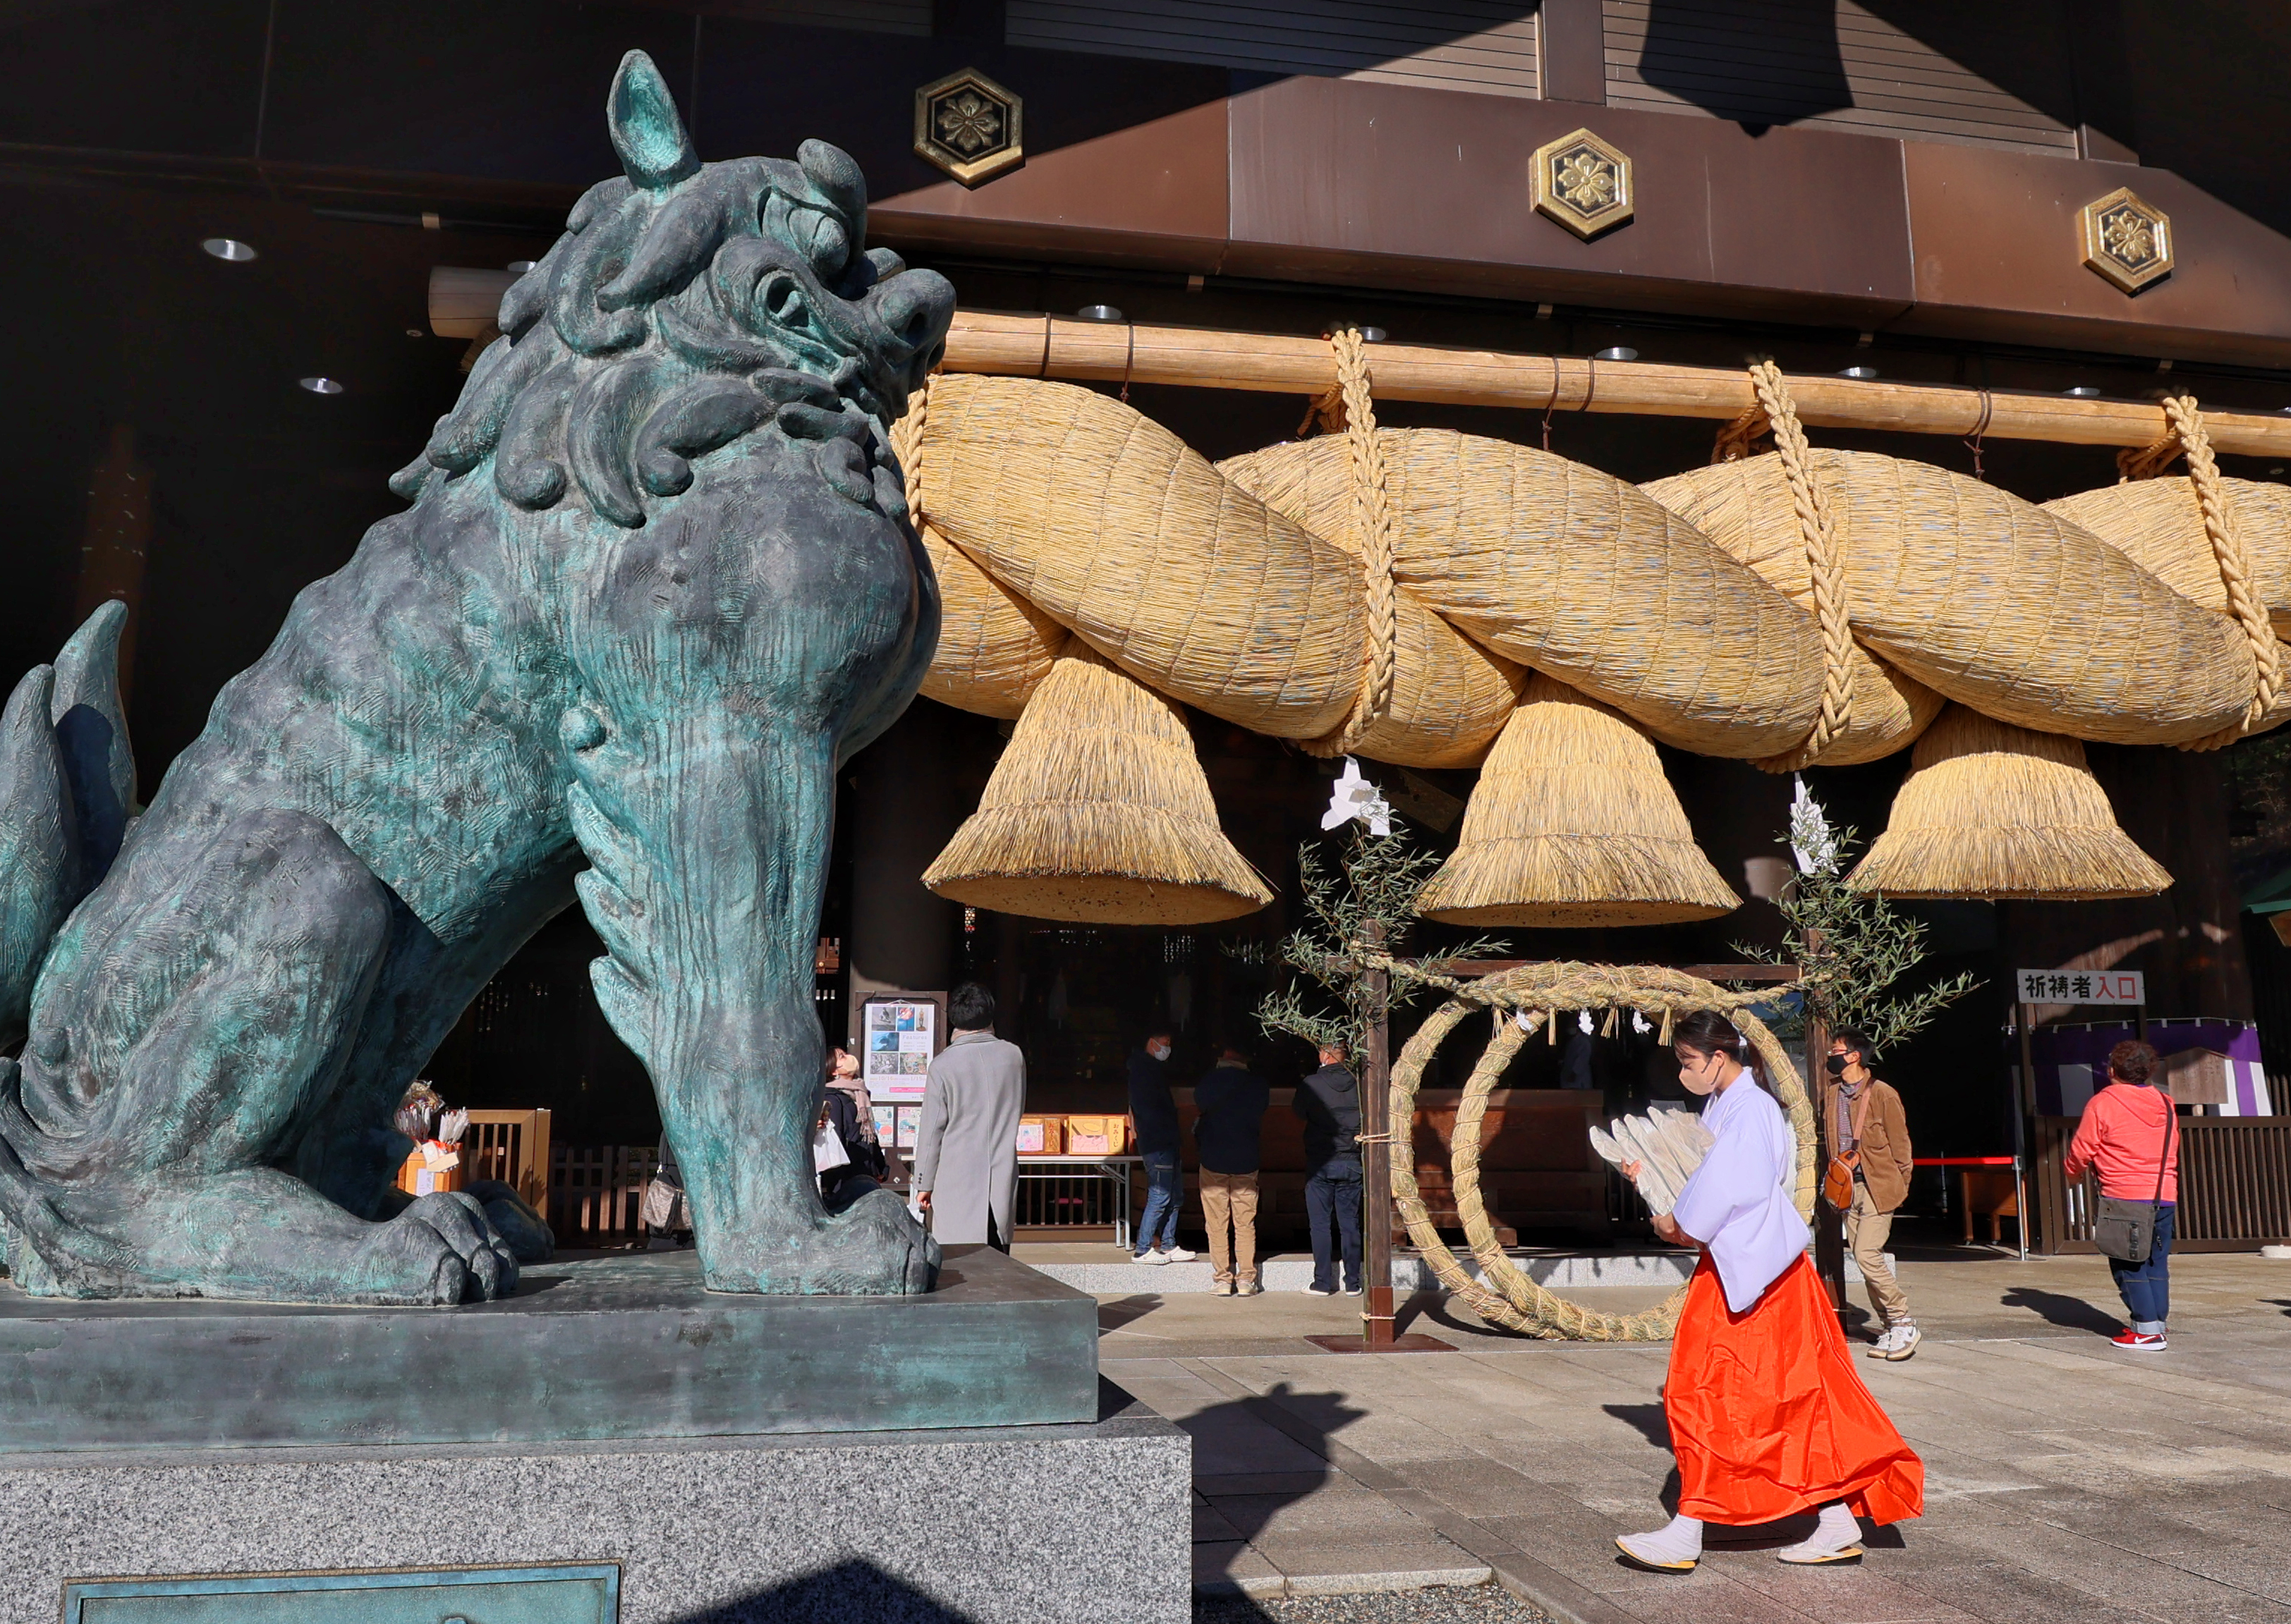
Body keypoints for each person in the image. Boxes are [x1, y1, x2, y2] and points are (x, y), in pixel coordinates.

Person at [1615, 1011, 1924, 1575]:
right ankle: (1830, 1520)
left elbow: (1730, 1189)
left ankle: (1691, 1527)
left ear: (1717, 1056)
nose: (1683, 1071)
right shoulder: (1737, 1105)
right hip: (1757, 1270)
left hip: (1753, 1276)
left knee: (1704, 1393)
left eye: (1688, 1061)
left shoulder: (1750, 1109)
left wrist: (1672, 1218)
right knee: (1778, 1400)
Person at [2065, 1039, 2179, 1351]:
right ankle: (2156, 1323)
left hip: (2124, 1195)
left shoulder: (2104, 1103)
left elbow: (2082, 1148)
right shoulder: (2165, 1102)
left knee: (2128, 1264)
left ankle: (2146, 1331)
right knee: (2157, 1263)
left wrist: (2072, 1173)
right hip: (2164, 1193)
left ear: (2112, 1070)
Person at [1824, 1027, 1919, 1360]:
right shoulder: (1833, 1093)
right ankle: (1890, 1328)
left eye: (1836, 1051)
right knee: (1864, 1261)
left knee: (1867, 1253)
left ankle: (1903, 1321)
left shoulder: (1882, 1093)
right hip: (1849, 1187)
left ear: (1854, 1056)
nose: (1830, 1056)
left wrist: (1900, 1184)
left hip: (1880, 1185)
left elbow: (1901, 1145)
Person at [913, 984, 1026, 1251]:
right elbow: (1017, 1107)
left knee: (961, 1264)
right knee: (1000, 1259)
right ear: (990, 1016)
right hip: (1002, 1172)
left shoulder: (943, 1065)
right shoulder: (1013, 1056)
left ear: (954, 1019)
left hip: (956, 1180)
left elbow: (932, 1131)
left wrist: (923, 1183)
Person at [1193, 1042, 1270, 1298]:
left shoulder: (1208, 1082)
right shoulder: (1258, 1085)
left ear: (1225, 1054)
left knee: (1216, 1223)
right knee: (1245, 1222)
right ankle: (1247, 1279)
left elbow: (1200, 1105)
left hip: (1213, 1158)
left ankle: (1223, 1279)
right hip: (1246, 1160)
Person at [1295, 1039, 1363, 1297]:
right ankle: (1353, 1283)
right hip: (1352, 1160)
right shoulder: (1360, 1083)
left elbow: (1299, 1112)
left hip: (1320, 1161)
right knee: (1350, 1224)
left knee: (1320, 1224)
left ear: (1325, 1054)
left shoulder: (1312, 1084)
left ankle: (1322, 1283)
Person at [1129, 1030, 1195, 1264]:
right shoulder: (1143, 1071)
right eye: (1165, 1043)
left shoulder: (1149, 1069)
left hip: (1166, 1140)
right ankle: (1144, 1248)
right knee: (1160, 1195)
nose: (1167, 1049)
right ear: (1151, 1041)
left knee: (1175, 1196)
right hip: (1158, 1141)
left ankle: (1168, 1244)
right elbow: (1147, 1111)